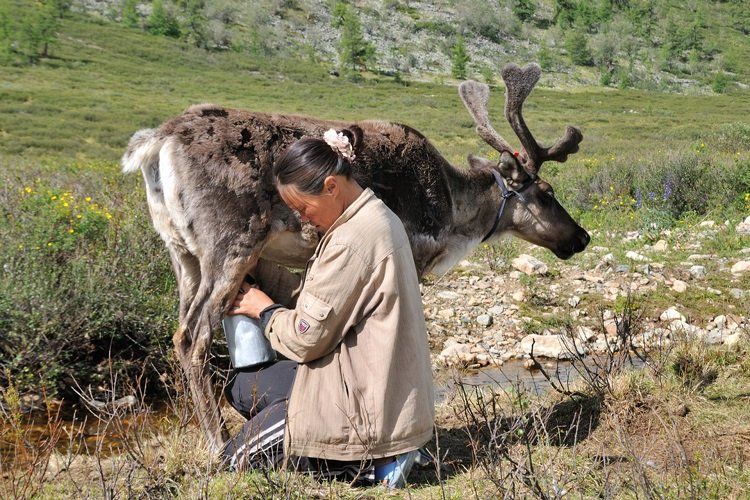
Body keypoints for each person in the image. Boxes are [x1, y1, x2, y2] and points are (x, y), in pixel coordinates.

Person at [221, 128, 435, 488]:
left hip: (364, 407)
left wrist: (265, 311)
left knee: (236, 461)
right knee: (242, 386)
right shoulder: (368, 217)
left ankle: (368, 462)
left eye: (303, 208)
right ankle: (384, 446)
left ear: (331, 186)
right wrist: (262, 270)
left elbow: (308, 339)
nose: (302, 219)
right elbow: (324, 301)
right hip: (370, 383)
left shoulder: (353, 240)